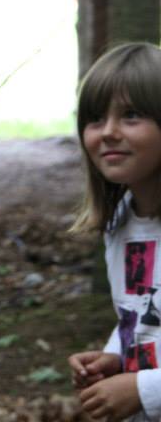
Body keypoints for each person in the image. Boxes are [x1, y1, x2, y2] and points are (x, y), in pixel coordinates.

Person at [67, 43, 161, 422]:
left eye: (131, 115)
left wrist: (144, 389)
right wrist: (116, 355)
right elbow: (141, 316)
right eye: (95, 118)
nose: (108, 132)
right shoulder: (119, 222)